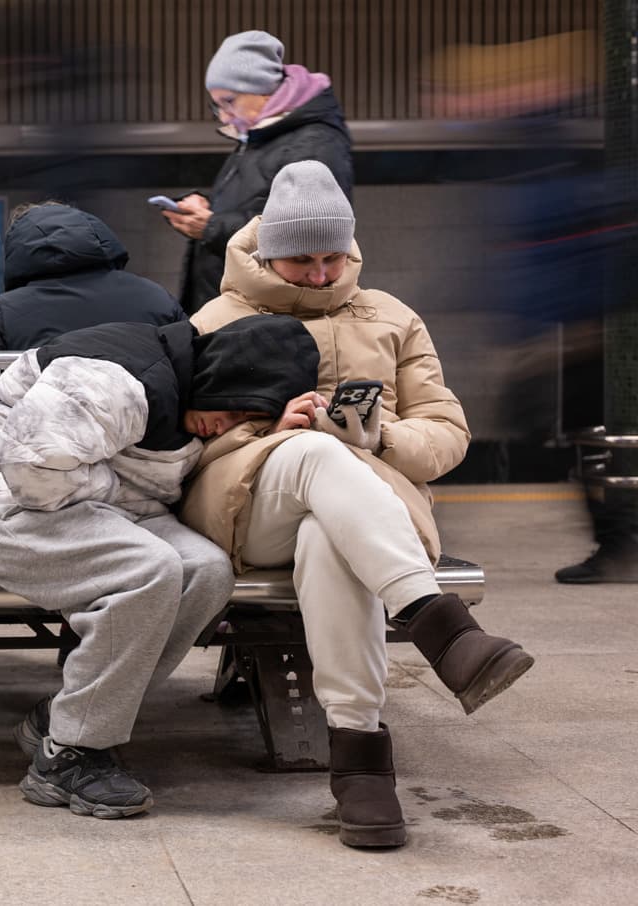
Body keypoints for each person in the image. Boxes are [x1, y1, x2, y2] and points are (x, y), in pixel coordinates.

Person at [181, 160, 535, 849]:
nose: (319, 274)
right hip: (248, 502)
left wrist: (381, 435)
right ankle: (443, 629)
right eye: (300, 261)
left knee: (326, 536)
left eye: (331, 257)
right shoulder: (213, 321)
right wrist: (267, 426)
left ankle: (361, 762)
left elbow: (448, 433)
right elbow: (182, 438)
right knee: (314, 455)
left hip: (362, 517)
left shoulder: (393, 318)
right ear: (267, 251)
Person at [0, 312, 321, 819]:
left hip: (107, 512)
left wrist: (262, 431)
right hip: (8, 511)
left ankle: (66, 718)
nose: (228, 423)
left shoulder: (194, 389)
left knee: (207, 571)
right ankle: (69, 756)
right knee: (148, 569)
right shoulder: (118, 377)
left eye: (249, 417)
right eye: (233, 407)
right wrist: (113, 490)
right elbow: (28, 467)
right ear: (219, 375)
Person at [161, 30, 352, 315]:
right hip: (243, 299)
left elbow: (306, 232)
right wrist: (203, 205)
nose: (224, 116)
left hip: (267, 310)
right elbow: (256, 202)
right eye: (216, 105)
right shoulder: (264, 132)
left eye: (229, 101)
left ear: (263, 92)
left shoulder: (313, 143)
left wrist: (211, 227)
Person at [0, 201, 186, 352]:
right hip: (150, 420)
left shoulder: (7, 310)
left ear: (18, 250)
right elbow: (194, 368)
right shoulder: (155, 296)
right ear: (95, 233)